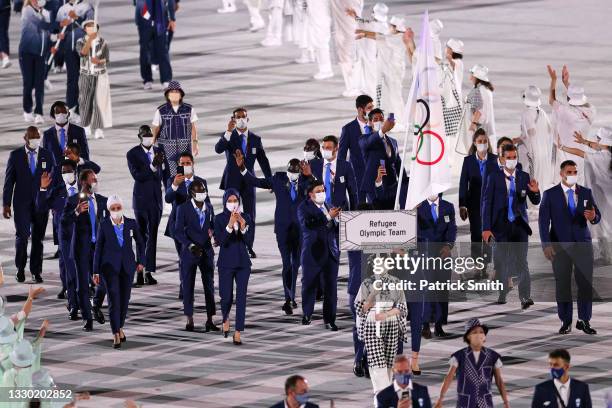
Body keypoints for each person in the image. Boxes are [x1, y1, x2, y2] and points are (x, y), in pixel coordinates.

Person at [236, 152, 312, 315]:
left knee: (296, 264)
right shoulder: (278, 179)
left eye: (295, 172)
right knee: (287, 263)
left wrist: (310, 175)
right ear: (287, 170)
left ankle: (291, 296)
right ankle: (289, 299)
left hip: (300, 229)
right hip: (283, 229)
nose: (292, 174)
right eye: (290, 171)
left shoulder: (307, 181)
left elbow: (321, 190)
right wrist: (242, 168)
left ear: (300, 172)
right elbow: (255, 181)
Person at [538, 160, 601, 335]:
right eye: (569, 172)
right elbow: (543, 223)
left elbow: (597, 216)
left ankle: (584, 320)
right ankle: (566, 321)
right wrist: (546, 245)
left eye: (575, 172)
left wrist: (594, 216)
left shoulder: (586, 192)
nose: (573, 174)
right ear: (561, 174)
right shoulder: (550, 194)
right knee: (563, 285)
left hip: (583, 246)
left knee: (585, 284)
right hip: (560, 247)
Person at [482, 144, 540, 306]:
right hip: (500, 227)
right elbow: (487, 204)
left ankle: (525, 297)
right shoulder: (493, 177)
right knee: (502, 261)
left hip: (520, 226)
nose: (512, 160)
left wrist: (535, 192)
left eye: (514, 157)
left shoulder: (524, 176)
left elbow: (535, 200)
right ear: (501, 159)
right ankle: (503, 293)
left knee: (522, 261)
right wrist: (485, 228)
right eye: (508, 158)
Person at [215, 107, 272, 258]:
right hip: (232, 181)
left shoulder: (255, 139)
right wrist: (227, 132)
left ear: (248, 119)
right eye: (237, 117)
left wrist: (269, 181)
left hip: (249, 181)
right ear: (233, 119)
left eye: (243, 117)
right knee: (230, 213)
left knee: (250, 214)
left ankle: (248, 246)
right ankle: (228, 243)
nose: (241, 119)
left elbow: (263, 161)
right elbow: (218, 149)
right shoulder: (228, 136)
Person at [3, 126, 54, 283]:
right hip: (21, 204)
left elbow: (53, 179)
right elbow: (9, 181)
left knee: (38, 239)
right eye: (32, 136)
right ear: (25, 138)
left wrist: (52, 200)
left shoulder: (47, 155)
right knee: (22, 237)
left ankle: (36, 271)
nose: (35, 139)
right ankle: (20, 268)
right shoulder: (16, 155)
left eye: (37, 136)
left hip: (41, 204)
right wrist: (6, 204)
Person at [92, 195, 145, 348]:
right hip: (109, 268)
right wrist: (96, 271)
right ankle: (115, 332)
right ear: (109, 210)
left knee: (124, 300)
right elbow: (99, 248)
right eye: (113, 209)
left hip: (127, 267)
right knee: (114, 300)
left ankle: (120, 326)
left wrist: (141, 261)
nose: (116, 211)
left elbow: (140, 242)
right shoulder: (104, 225)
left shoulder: (130, 223)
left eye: (118, 208)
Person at [61, 168, 108, 331]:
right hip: (81, 248)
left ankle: (96, 305)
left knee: (105, 280)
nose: (95, 182)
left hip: (98, 248)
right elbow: (63, 222)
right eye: (92, 179)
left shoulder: (102, 201)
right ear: (83, 182)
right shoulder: (74, 200)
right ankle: (88, 319)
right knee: (81, 286)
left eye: (96, 179)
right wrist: (76, 211)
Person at [355, 253, 408, 392]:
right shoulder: (366, 283)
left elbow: (402, 308)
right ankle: (382, 395)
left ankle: (383, 395)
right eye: (376, 263)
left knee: (389, 361)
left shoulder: (395, 282)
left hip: (390, 322)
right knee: (376, 362)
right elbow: (359, 309)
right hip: (373, 322)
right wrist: (372, 294)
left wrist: (387, 314)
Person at [561, 128, 612, 265]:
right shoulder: (608, 154)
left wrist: (562, 147)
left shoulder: (600, 157)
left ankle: (606, 255)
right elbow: (599, 147)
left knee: (602, 226)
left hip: (601, 197)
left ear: (603, 142)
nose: (596, 141)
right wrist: (584, 141)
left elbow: (580, 153)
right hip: (609, 195)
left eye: (598, 139)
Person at [127, 125, 169, 286]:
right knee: (140, 236)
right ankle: (139, 269)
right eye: (145, 135)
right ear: (140, 137)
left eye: (150, 135)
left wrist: (169, 193)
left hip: (156, 200)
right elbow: (137, 176)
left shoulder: (159, 151)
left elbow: (164, 175)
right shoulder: (133, 154)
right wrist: (152, 166)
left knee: (152, 237)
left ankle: (149, 271)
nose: (148, 138)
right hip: (141, 200)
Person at [174, 180, 219, 332]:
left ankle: (210, 319)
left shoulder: (210, 208)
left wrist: (214, 235)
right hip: (189, 252)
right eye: (199, 191)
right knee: (188, 285)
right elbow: (178, 232)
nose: (202, 194)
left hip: (206, 251)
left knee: (209, 286)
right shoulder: (183, 209)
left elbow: (212, 226)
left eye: (204, 191)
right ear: (192, 194)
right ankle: (189, 319)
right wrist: (190, 245)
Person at [164, 152, 211, 298]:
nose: (185, 166)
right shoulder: (173, 180)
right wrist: (175, 186)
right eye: (182, 164)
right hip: (179, 227)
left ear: (193, 164)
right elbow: (168, 198)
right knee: (183, 258)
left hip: (197, 227)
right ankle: (184, 287)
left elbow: (207, 204)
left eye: (187, 163)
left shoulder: (201, 181)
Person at [435, 318, 510, 408]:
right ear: (468, 336)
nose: (479, 335)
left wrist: (506, 402)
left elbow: (499, 381)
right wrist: (440, 398)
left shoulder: (493, 356)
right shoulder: (459, 356)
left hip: (485, 404)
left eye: (481, 332)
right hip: (465, 403)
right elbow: (449, 378)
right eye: (474, 332)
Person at [36, 159, 80, 308]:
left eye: (69, 171)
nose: (66, 174)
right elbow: (41, 207)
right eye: (63, 172)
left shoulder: (84, 188)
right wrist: (42, 189)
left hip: (82, 233)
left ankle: (84, 289)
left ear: (75, 172)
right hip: (65, 234)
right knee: (66, 264)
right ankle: (70, 296)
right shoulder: (57, 191)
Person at [298, 180, 340, 330]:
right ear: (311, 194)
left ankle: (329, 319)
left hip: (331, 253)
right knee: (309, 285)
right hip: (312, 253)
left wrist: (338, 220)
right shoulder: (304, 207)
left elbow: (334, 228)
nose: (322, 193)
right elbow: (309, 224)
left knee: (331, 288)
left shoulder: (329, 204)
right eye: (318, 191)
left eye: (323, 190)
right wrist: (328, 217)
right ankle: (307, 314)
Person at [214, 189, 253, 345]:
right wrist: (230, 225)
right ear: (225, 202)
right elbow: (221, 241)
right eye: (229, 201)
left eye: (235, 200)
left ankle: (237, 332)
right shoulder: (218, 219)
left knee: (241, 298)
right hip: (225, 264)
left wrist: (243, 227)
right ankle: (225, 318)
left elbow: (250, 242)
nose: (232, 204)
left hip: (243, 264)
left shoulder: (247, 217)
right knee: (226, 297)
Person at [458, 129, 498, 279]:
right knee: (475, 235)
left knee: (488, 234)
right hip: (474, 205)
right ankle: (476, 264)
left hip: (491, 205)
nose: (482, 144)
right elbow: (463, 183)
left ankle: (486, 265)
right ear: (475, 143)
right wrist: (462, 205)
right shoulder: (468, 161)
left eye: (485, 141)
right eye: (480, 141)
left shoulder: (495, 159)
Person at [547, 65, 595, 185]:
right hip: (581, 158)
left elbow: (551, 100)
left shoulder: (565, 112)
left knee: (563, 191)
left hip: (565, 158)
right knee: (579, 190)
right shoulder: (592, 111)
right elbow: (584, 103)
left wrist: (553, 81)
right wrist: (567, 83)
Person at [417, 193, 456, 338]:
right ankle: (425, 324)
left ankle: (439, 325)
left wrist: (448, 245)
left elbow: (452, 228)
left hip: (443, 254)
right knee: (427, 290)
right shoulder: (419, 207)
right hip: (426, 254)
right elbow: (414, 231)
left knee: (442, 289)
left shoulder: (448, 206)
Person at [360, 108, 407, 209]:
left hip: (392, 189)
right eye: (375, 119)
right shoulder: (364, 139)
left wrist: (404, 183)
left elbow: (398, 164)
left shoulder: (393, 142)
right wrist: (382, 130)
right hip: (375, 190)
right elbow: (369, 142)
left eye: (381, 119)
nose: (379, 121)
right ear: (370, 123)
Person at [54, 0, 94, 119]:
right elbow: (57, 31)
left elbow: (91, 28)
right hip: (68, 49)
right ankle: (71, 108)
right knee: (72, 80)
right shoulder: (63, 9)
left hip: (83, 49)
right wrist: (58, 60)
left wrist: (76, 18)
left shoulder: (87, 7)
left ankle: (84, 110)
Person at [152, 81, 199, 176]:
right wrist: (152, 148)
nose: (174, 94)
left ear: (181, 94)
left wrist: (195, 143)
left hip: (185, 147)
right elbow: (155, 129)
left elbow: (193, 127)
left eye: (177, 91)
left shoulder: (189, 109)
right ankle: (171, 190)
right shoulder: (161, 110)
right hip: (167, 148)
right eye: (172, 92)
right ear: (167, 94)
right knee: (170, 174)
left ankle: (187, 190)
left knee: (187, 173)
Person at [76, 19, 112, 140]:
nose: (91, 28)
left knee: (99, 101)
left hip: (100, 75)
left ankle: (98, 128)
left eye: (93, 26)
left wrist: (99, 61)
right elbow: (82, 53)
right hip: (85, 75)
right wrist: (90, 39)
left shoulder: (103, 42)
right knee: (85, 100)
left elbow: (107, 59)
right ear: (84, 29)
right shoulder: (80, 41)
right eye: (88, 26)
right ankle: (85, 125)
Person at [515, 85, 555, 190]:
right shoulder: (543, 113)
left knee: (530, 175)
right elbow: (550, 131)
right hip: (543, 152)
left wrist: (517, 139)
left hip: (531, 152)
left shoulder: (527, 114)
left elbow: (530, 133)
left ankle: (532, 200)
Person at [19, 0, 52, 125]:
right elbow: (41, 24)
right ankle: (27, 110)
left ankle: (39, 113)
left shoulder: (46, 13)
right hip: (26, 52)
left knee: (39, 84)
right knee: (28, 82)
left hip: (40, 53)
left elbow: (48, 33)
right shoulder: (26, 11)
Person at [306, 135, 358, 211]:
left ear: (336, 148)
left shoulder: (345, 166)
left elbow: (352, 192)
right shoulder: (313, 165)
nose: (325, 150)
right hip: (319, 211)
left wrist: (354, 213)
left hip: (341, 210)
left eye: (328, 148)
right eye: (323, 148)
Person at [339, 94, 374, 203]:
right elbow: (341, 156)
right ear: (360, 109)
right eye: (369, 108)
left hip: (376, 177)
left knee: (378, 208)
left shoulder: (377, 127)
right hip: (358, 178)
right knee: (359, 208)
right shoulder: (348, 129)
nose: (372, 110)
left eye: (372, 107)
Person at [134, 0, 175, 89]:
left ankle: (166, 79)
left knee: (163, 50)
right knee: (144, 51)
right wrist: (138, 20)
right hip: (144, 22)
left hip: (160, 21)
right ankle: (147, 79)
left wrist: (172, 18)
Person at [459, 64, 496, 153]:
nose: (470, 77)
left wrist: (473, 124)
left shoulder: (478, 90)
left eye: (472, 74)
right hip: (484, 125)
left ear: (476, 76)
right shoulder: (485, 89)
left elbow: (478, 109)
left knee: (476, 149)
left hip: (478, 125)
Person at [42, 101, 89, 165]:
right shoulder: (47, 134)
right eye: (57, 112)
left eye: (64, 112)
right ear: (53, 114)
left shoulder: (79, 131)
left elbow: (85, 154)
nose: (61, 114)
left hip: (74, 170)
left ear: (69, 114)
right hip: (55, 172)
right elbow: (44, 157)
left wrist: (85, 169)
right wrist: (44, 170)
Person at [330, 0, 361, 95]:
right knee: (355, 57)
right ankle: (356, 85)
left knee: (346, 58)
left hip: (346, 31)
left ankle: (352, 87)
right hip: (356, 30)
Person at [305, 0, 334, 80]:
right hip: (316, 16)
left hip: (320, 18)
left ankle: (325, 69)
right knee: (318, 41)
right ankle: (324, 68)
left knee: (321, 41)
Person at [0, 0, 11, 68]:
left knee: (2, 31)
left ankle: (4, 57)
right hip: (5, 5)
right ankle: (5, 57)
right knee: (3, 32)